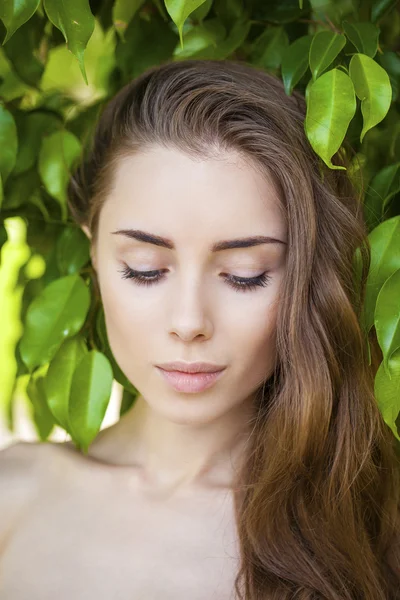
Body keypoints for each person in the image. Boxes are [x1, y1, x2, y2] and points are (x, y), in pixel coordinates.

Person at [0, 58, 399, 600]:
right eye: (145, 268)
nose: (189, 323)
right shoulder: (14, 495)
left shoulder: (369, 528)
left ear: (307, 275)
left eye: (244, 277)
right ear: (92, 247)